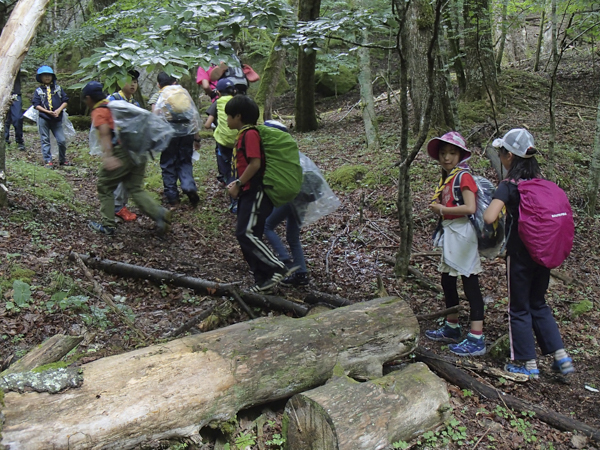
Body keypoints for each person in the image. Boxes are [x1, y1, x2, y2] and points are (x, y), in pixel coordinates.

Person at [483, 129, 575, 379]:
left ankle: (527, 364)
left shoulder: (509, 186)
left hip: (520, 256)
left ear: (510, 156)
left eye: (501, 152)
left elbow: (489, 216)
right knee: (538, 303)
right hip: (543, 254)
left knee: (519, 308)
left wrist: (498, 210)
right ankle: (561, 357)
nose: (500, 156)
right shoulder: (544, 185)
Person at [425, 131, 486, 357]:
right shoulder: (448, 177)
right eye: (443, 153)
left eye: (451, 153)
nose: (447, 157)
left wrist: (442, 210)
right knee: (447, 280)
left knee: (470, 282)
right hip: (451, 232)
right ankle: (452, 326)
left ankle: (476, 337)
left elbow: (470, 208)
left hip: (463, 234)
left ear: (460, 155)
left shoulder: (463, 177)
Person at [225, 95, 295, 293]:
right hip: (248, 192)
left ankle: (277, 267)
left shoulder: (250, 134)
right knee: (249, 235)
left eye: (228, 116)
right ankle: (262, 280)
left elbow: (255, 163)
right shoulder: (244, 134)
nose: (226, 120)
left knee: (244, 233)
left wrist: (239, 183)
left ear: (238, 116)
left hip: (256, 193)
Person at [83, 81, 172, 236]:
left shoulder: (99, 111)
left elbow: (104, 133)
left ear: (89, 98)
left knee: (104, 186)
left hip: (121, 152)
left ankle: (108, 225)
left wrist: (109, 156)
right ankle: (160, 214)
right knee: (135, 188)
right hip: (138, 150)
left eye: (85, 99)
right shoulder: (115, 105)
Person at [263, 121, 309, 287]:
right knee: (292, 236)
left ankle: (284, 259)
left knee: (267, 226)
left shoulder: (277, 152)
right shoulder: (291, 150)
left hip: (292, 196)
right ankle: (301, 274)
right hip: (304, 196)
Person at [153, 72, 200, 207]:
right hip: (187, 134)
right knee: (185, 161)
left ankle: (173, 197)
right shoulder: (182, 93)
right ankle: (188, 186)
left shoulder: (161, 95)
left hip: (169, 136)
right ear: (174, 82)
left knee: (168, 164)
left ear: (158, 84)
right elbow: (193, 117)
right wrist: (197, 138)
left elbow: (155, 117)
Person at [107, 69, 142, 222]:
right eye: (129, 81)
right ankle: (115, 207)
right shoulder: (113, 99)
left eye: (135, 82)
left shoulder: (134, 102)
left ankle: (122, 205)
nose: (133, 85)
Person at [32, 66, 70, 167]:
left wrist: (58, 110)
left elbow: (65, 101)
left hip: (57, 119)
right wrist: (47, 112)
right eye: (44, 76)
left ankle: (62, 159)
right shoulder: (38, 90)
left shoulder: (58, 89)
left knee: (61, 140)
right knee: (45, 140)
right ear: (40, 78)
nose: (47, 77)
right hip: (44, 118)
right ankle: (48, 160)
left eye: (49, 75)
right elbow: (36, 105)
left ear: (53, 77)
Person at [213, 78, 239, 211]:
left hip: (223, 144)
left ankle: (234, 202)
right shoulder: (239, 102)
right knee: (241, 169)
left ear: (218, 92)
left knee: (229, 172)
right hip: (239, 140)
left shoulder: (217, 103)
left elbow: (207, 124)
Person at [4, 70, 25, 151]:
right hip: (3, 92)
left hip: (15, 93)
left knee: (18, 118)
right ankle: (5, 140)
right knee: (5, 118)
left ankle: (19, 140)